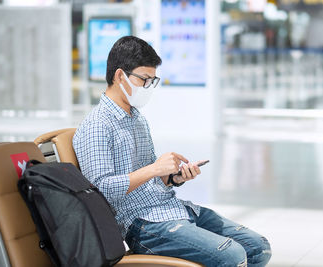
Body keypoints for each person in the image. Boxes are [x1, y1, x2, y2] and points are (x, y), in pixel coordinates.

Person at [73, 36, 271, 267]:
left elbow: (148, 180)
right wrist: (154, 168)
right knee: (232, 256)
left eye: (152, 80)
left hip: (171, 208)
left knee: (258, 247)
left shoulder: (136, 119)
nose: (148, 87)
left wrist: (172, 178)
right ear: (120, 76)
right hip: (143, 224)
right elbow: (102, 190)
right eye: (144, 79)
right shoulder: (97, 126)